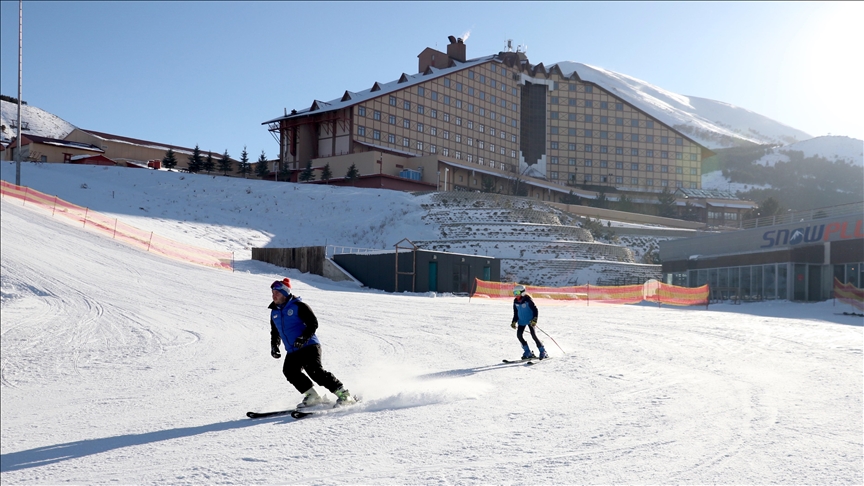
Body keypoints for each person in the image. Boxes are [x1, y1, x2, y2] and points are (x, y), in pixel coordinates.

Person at [268, 278, 355, 408]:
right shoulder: (274, 312)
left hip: (309, 346)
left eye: (277, 293)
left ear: (285, 294)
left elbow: (313, 323)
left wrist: (303, 338)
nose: (274, 296)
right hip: (293, 350)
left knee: (315, 371)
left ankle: (344, 395)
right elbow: (275, 332)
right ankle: (313, 396)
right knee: (290, 371)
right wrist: (274, 346)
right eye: (273, 293)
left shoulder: (299, 306)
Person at [511, 284, 548, 359]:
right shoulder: (515, 302)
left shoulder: (528, 300)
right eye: (514, 293)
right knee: (519, 336)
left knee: (533, 335)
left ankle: (543, 351)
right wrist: (514, 321)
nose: (516, 295)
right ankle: (527, 352)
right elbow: (515, 313)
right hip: (521, 321)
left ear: (522, 292)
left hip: (530, 321)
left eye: (517, 293)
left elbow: (535, 310)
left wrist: (534, 320)